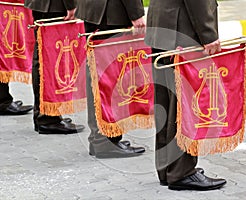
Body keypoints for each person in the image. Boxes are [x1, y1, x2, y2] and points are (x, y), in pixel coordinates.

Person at [144, 1, 227, 190]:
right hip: (181, 29)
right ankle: (182, 172)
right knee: (182, 105)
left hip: (163, 25)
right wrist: (208, 34)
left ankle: (168, 168)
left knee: (167, 101)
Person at [75, 0, 146, 158]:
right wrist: (135, 13)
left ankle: (101, 137)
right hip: (108, 11)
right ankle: (104, 141)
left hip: (95, 9)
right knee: (106, 75)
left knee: (98, 71)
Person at [24, 0, 85, 134]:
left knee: (44, 56)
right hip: (53, 5)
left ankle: (45, 114)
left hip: (46, 5)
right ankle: (47, 118)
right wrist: (71, 5)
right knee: (47, 59)